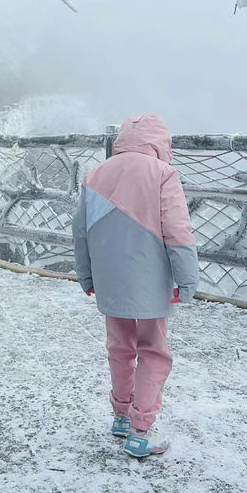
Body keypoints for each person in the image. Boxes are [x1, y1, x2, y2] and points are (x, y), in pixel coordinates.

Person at [72, 114, 198, 459]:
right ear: (161, 143)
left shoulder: (95, 174)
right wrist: (187, 280)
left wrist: (86, 275)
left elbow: (80, 231)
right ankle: (141, 431)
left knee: (119, 346)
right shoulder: (163, 174)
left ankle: (121, 416)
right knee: (154, 351)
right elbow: (178, 231)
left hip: (110, 278)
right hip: (151, 280)